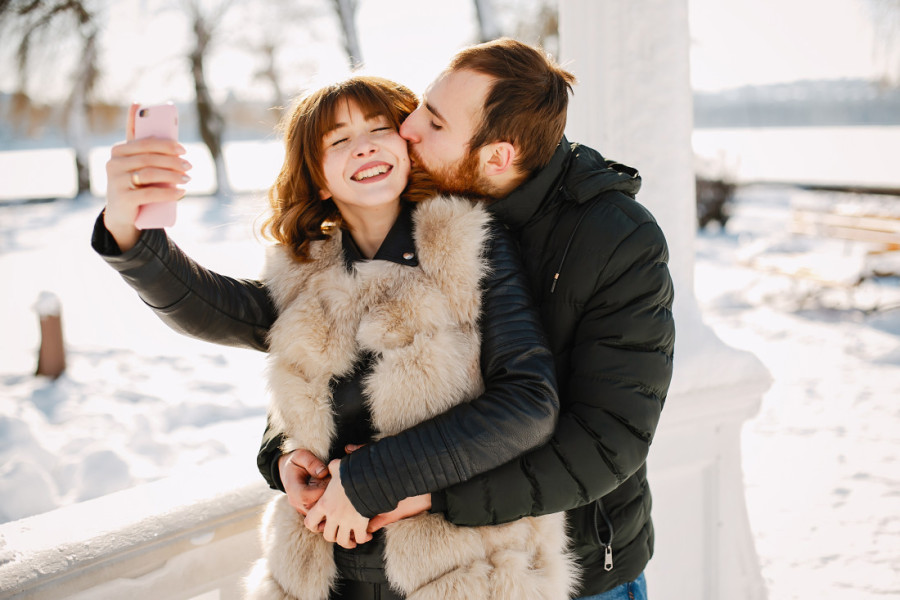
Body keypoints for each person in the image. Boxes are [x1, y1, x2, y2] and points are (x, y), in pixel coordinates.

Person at [95, 76, 576, 600]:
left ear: (409, 147)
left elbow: (528, 403)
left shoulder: (471, 246)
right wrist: (129, 228)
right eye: (338, 140)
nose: (364, 144)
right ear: (320, 180)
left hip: (464, 574)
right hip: (323, 579)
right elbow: (207, 307)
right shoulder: (303, 276)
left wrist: (370, 478)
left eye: (378, 128)